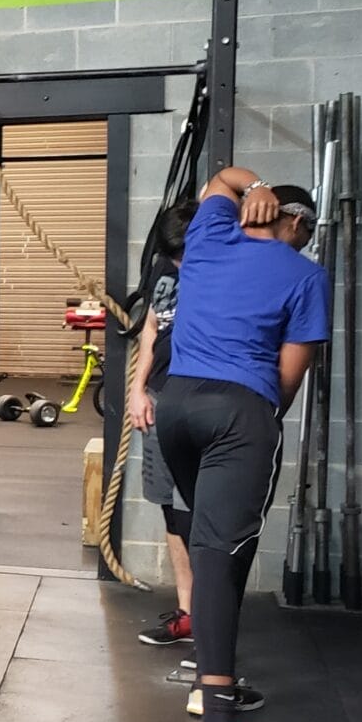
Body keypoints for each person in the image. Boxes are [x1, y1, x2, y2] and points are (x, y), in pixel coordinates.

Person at [156, 169, 325, 722]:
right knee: (221, 563)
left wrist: (253, 183)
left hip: (176, 407)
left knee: (210, 557)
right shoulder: (307, 275)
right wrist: (250, 415)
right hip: (238, 414)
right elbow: (287, 380)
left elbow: (220, 178)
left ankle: (214, 687)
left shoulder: (210, 236)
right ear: (298, 223)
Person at [130, 203, 199, 650]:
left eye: (184, 254)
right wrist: (137, 389)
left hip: (200, 403)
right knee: (171, 512)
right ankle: (189, 614)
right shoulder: (163, 266)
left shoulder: (223, 271)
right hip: (158, 397)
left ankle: (212, 623)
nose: (177, 263)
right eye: (172, 255)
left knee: (200, 517)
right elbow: (153, 327)